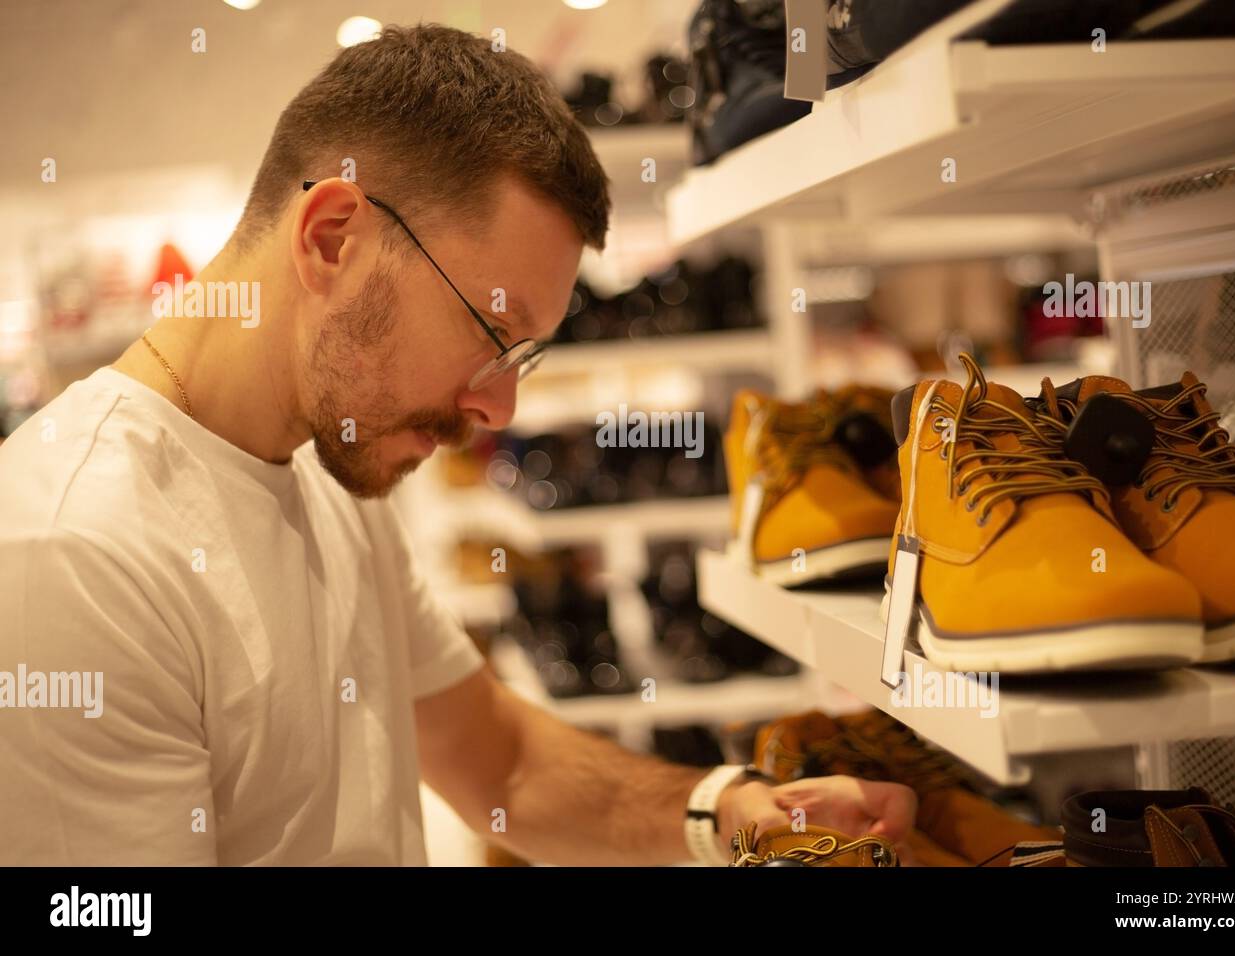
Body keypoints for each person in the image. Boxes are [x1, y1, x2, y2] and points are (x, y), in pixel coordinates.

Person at [0, 23, 915, 866]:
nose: (502, 409)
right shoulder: (72, 553)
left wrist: (731, 811)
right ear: (332, 238)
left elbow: (501, 764)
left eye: (524, 354)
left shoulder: (324, 470)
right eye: (491, 327)